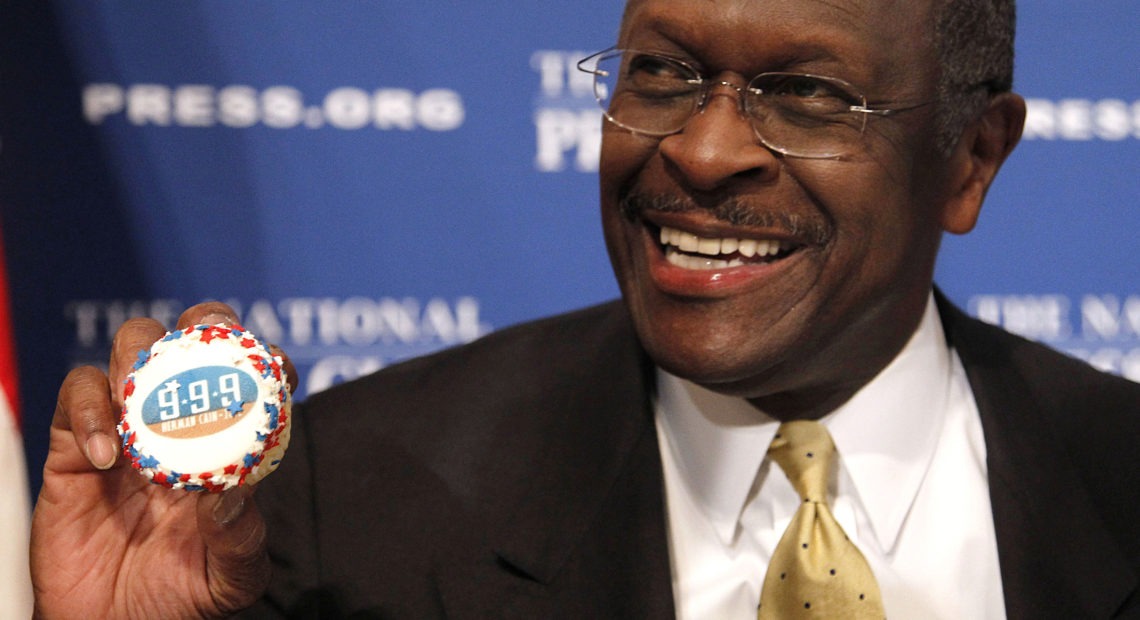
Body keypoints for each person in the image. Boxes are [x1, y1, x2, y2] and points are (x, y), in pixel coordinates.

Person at [30, 0, 1140, 617]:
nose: (701, 152)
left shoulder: (1120, 479)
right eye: (660, 73)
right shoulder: (335, 508)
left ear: (971, 159)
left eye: (808, 94)